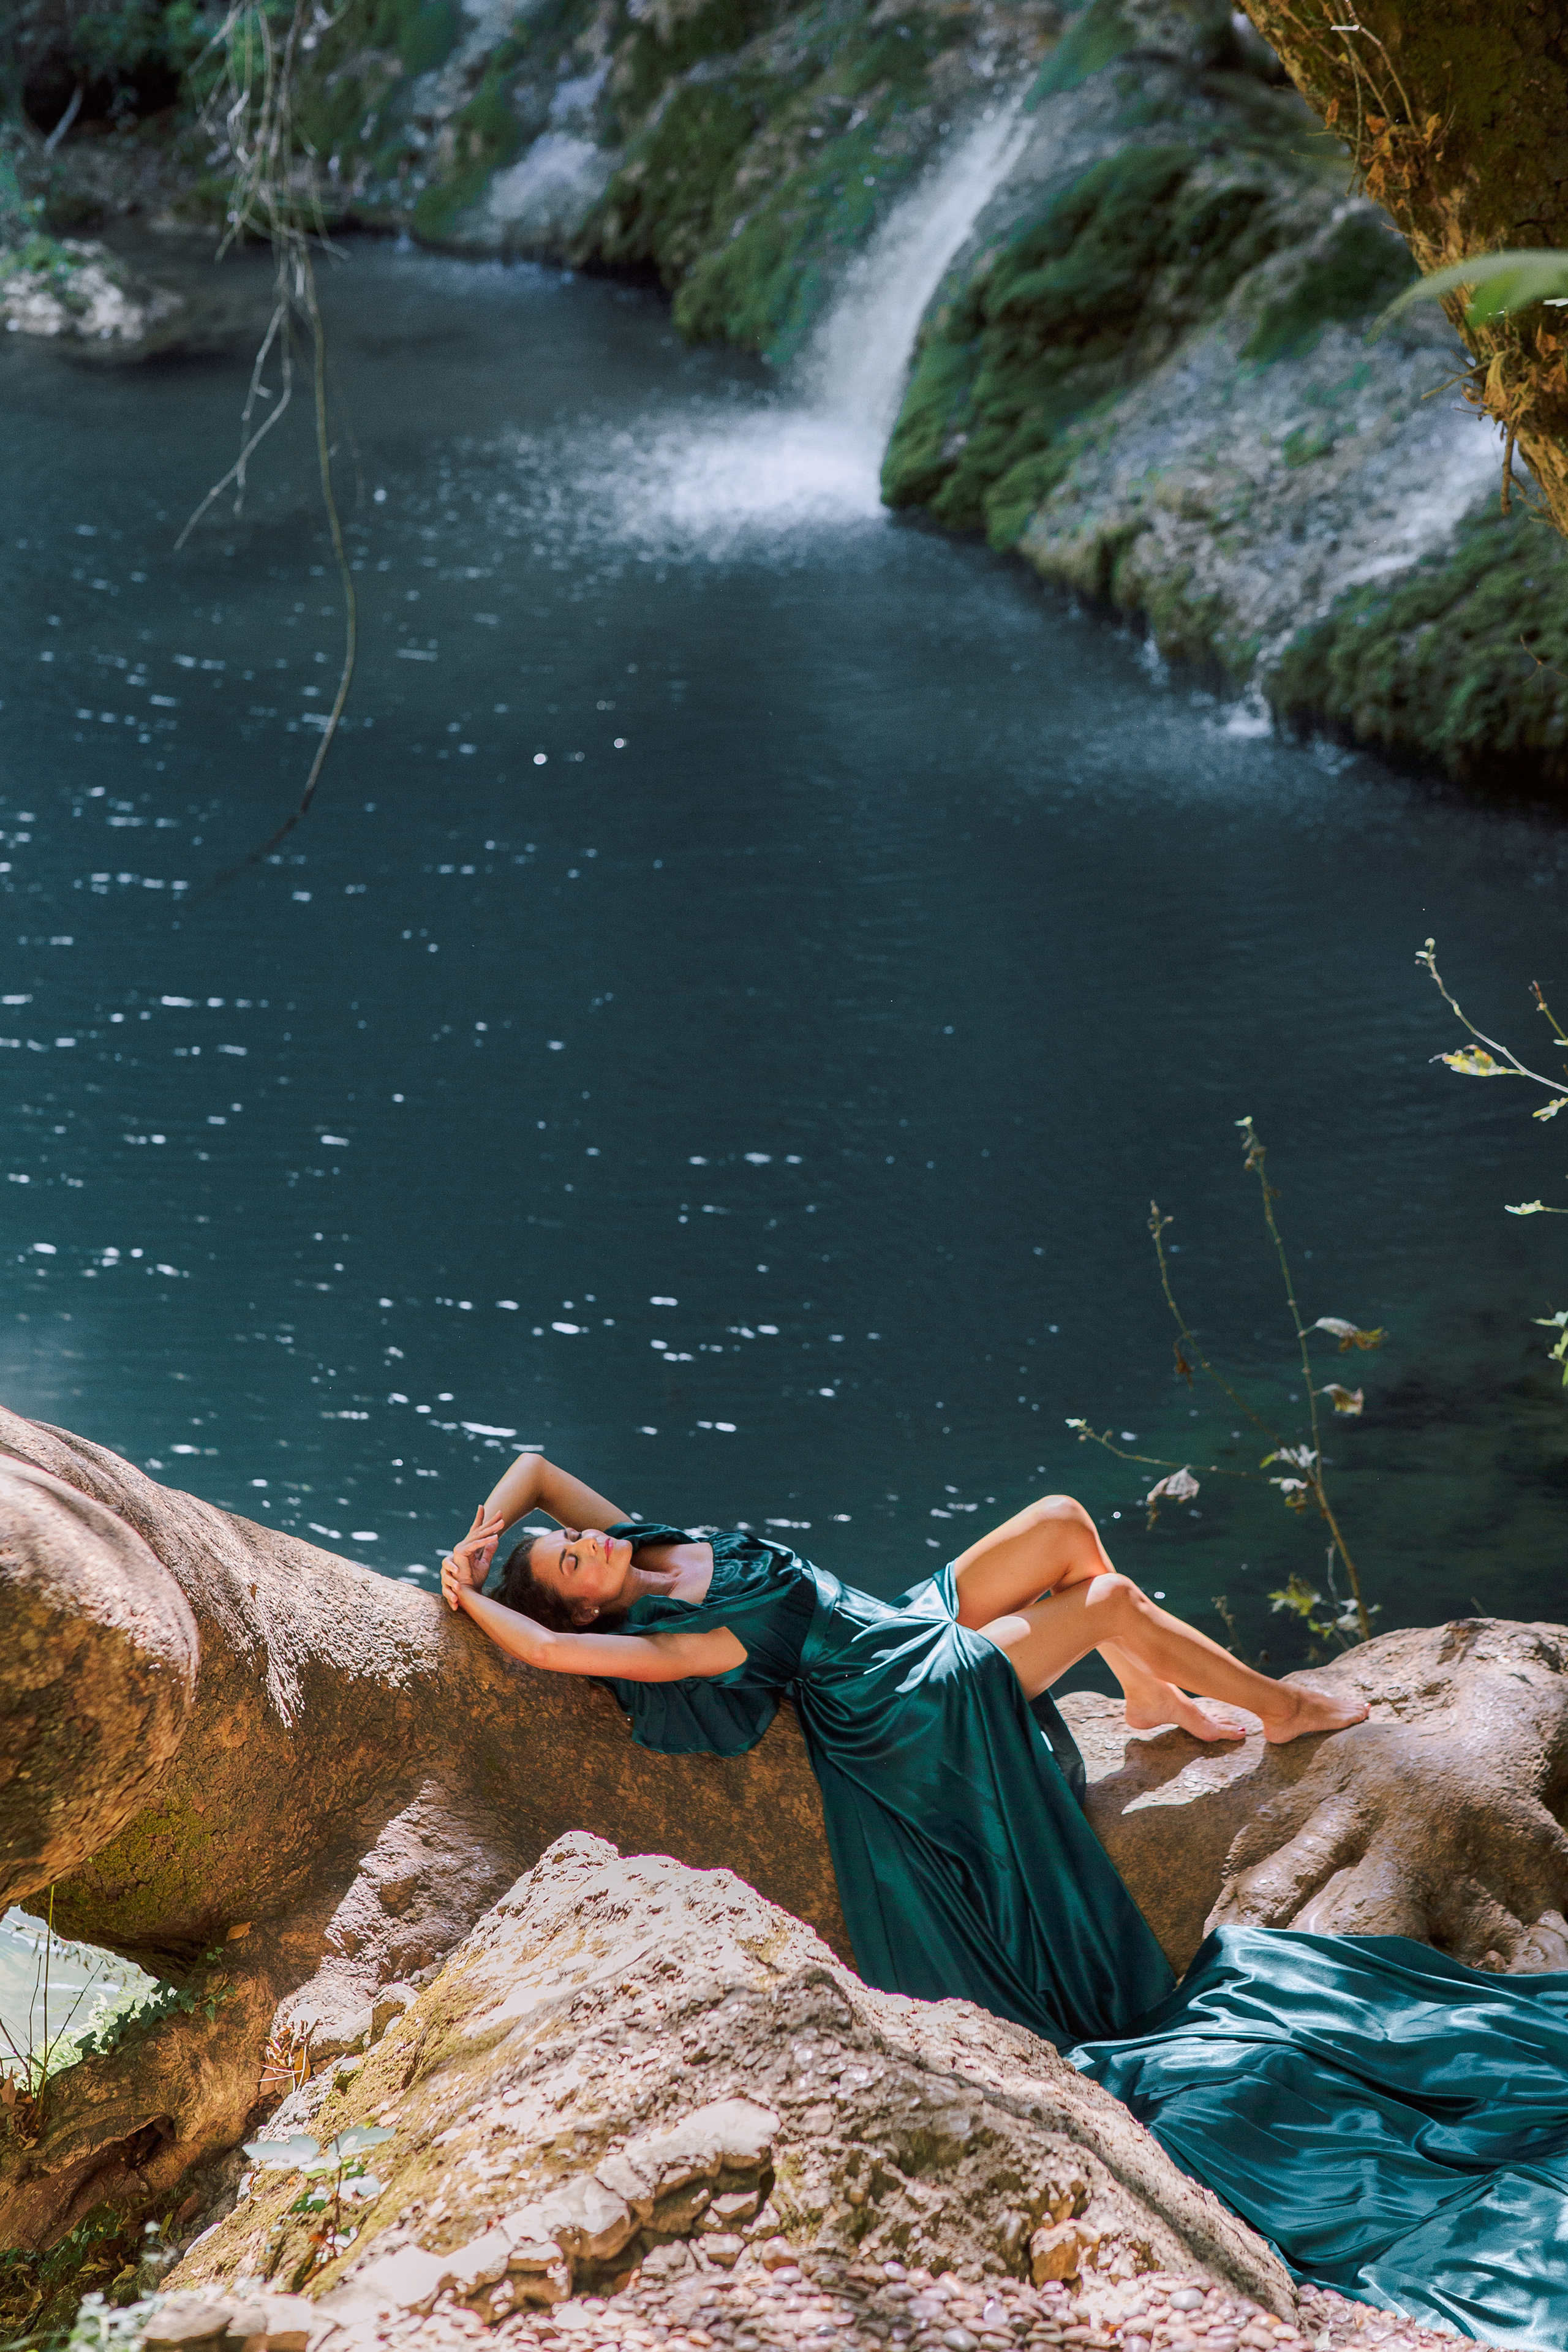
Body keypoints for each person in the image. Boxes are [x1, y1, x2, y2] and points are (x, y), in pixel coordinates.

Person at [440, 1452, 1568, 2350]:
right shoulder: (684, 1642)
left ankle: (1140, 1690)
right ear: (589, 1618)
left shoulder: (647, 1545)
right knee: (1106, 1595)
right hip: (906, 1708)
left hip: (896, 1622)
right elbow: (539, 1643)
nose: (584, 1543)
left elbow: (536, 1467)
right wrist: (482, 1601)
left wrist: (487, 1534)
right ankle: (1280, 1707)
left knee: (1065, 1523)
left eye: (575, 1540)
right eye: (570, 1565)